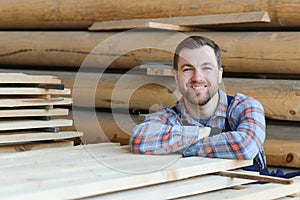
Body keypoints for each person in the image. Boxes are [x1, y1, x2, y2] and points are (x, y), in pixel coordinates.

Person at [130, 36, 266, 169]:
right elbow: (139, 139)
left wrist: (183, 146)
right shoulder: (171, 117)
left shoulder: (245, 107)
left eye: (206, 68)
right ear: (176, 77)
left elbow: (245, 147)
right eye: (188, 69)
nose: (197, 77)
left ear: (219, 74)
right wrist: (204, 132)